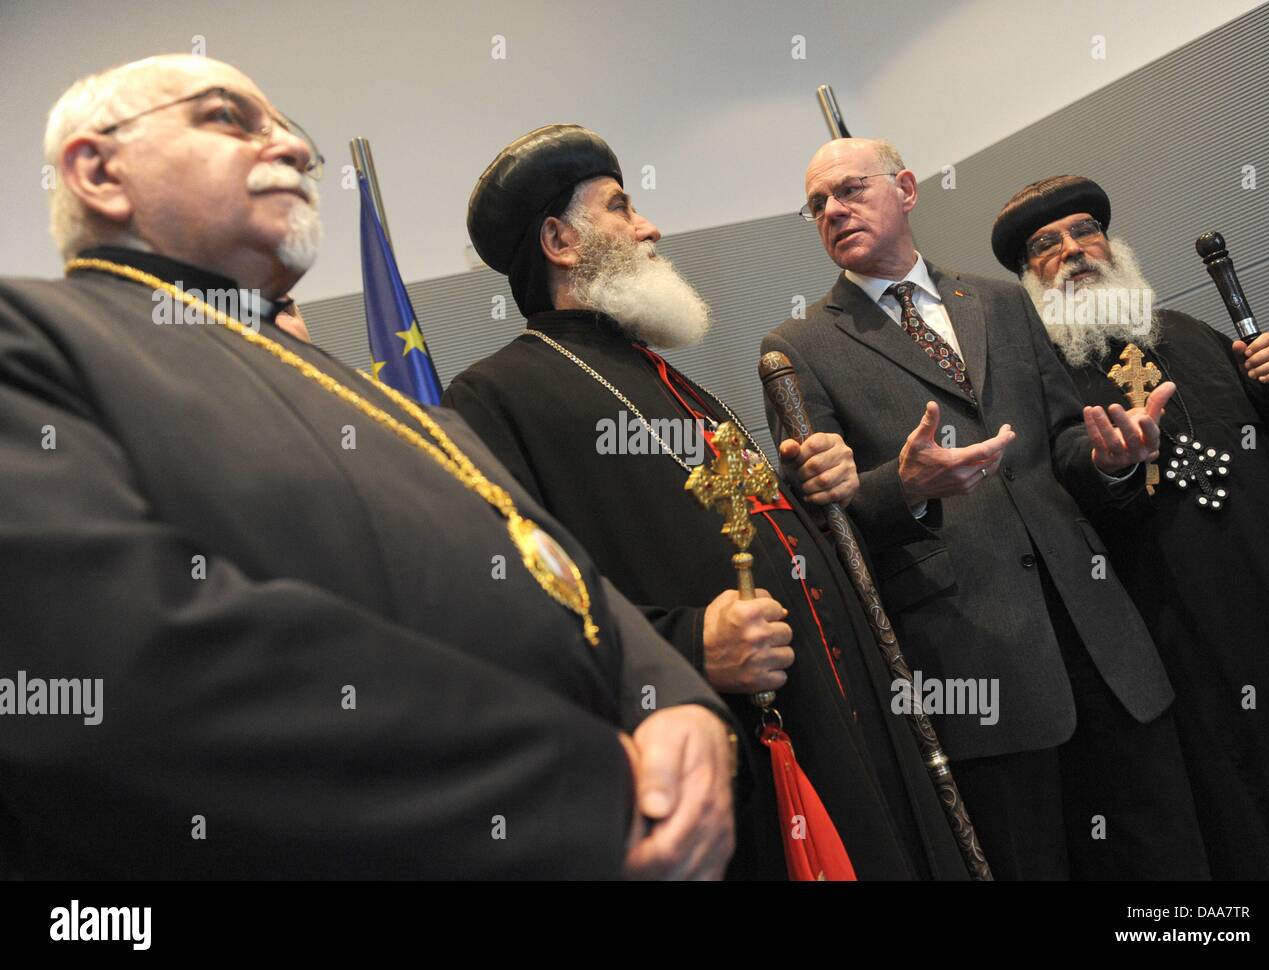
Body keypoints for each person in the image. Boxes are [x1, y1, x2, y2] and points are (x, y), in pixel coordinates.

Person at [0, 55, 736, 880]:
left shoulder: (360, 390)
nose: (285, 146)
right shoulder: (29, 339)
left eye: (291, 134)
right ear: (97, 170)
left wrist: (674, 699)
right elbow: (118, 671)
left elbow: (556, 569)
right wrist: (588, 784)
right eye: (229, 118)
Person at [444, 125, 971, 881]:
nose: (649, 226)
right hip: (741, 758)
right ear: (559, 240)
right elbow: (512, 613)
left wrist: (820, 497)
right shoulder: (495, 396)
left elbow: (731, 537)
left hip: (845, 719)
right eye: (621, 208)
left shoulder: (667, 378)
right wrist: (689, 646)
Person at [762, 136, 1209, 879]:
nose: (833, 210)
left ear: (904, 188)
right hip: (978, 673)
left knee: (1166, 865)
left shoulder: (1000, 301)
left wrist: (1109, 460)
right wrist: (903, 486)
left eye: (849, 189)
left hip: (1103, 644)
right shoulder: (797, 347)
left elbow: (1064, 440)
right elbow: (824, 521)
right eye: (817, 205)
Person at [992, 174, 1269, 878]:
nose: (1073, 250)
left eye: (1084, 232)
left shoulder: (1195, 334)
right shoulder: (1040, 384)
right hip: (1175, 625)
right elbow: (1068, 487)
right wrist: (1114, 465)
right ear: (1028, 276)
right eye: (1046, 244)